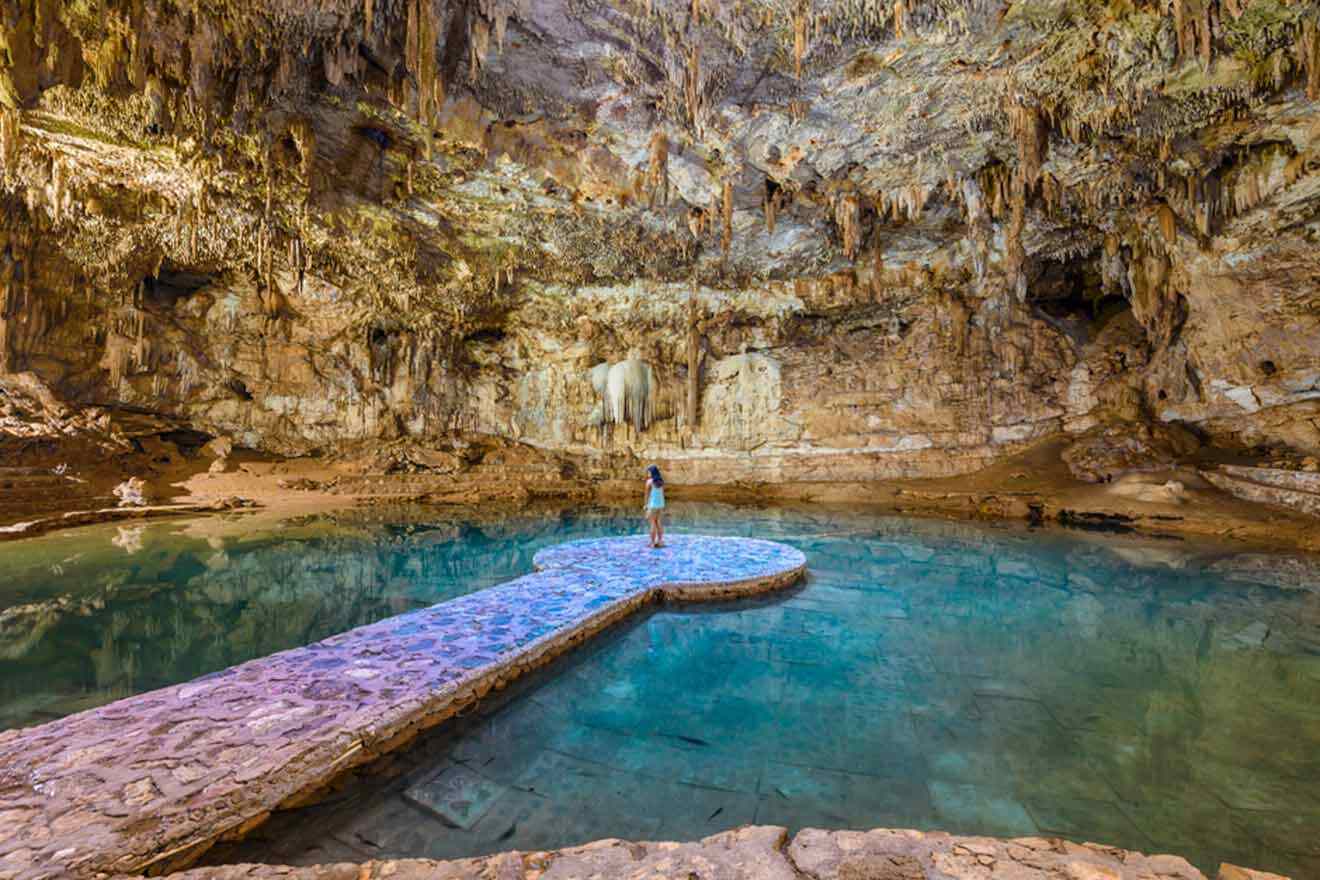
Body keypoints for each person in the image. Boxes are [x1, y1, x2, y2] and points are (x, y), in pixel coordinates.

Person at [643, 464, 666, 548]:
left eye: (649, 472)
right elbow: (662, 494)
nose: (648, 474)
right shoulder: (661, 481)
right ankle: (660, 541)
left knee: (652, 522)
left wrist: (645, 505)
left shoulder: (649, 482)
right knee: (658, 522)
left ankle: (652, 542)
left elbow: (646, 495)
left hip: (652, 505)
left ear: (652, 472)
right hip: (660, 504)